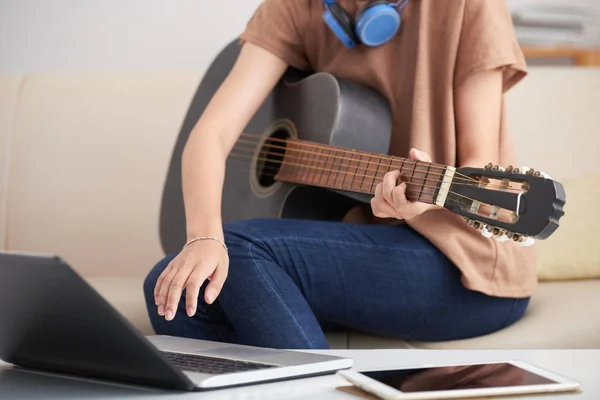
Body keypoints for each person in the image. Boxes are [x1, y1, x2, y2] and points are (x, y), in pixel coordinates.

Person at [143, 0, 537, 349]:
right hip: (359, 250)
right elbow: (211, 133)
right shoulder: (295, 8)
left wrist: (420, 207)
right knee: (169, 288)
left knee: (241, 249)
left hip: (465, 265)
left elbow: (481, 167)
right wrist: (202, 239)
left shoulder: (470, 5)